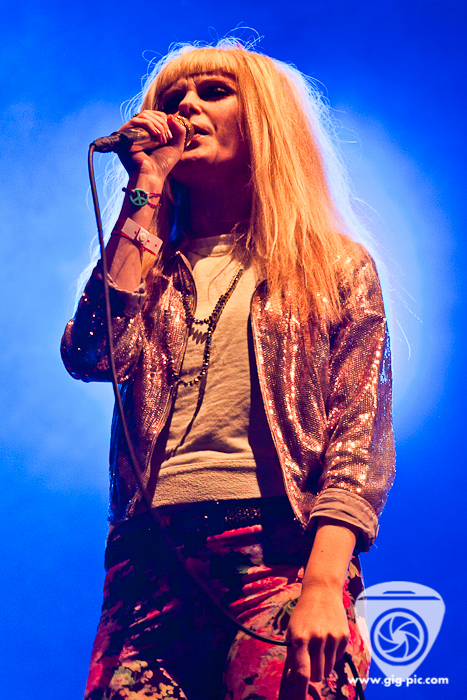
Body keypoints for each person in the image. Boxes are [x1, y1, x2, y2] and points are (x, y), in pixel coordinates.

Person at [61, 39, 395, 700]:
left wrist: (324, 584)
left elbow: (357, 443)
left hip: (278, 557)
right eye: (173, 97)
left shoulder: (334, 267)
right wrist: (144, 189)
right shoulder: (147, 267)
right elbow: (92, 356)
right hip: (148, 563)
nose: (185, 106)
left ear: (265, 120)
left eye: (213, 91)